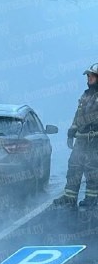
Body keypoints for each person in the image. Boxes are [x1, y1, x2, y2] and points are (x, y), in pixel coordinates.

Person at [52, 62, 98, 208]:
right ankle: (69, 198)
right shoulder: (85, 95)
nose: (89, 79)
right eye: (88, 76)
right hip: (81, 140)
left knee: (92, 170)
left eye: (92, 76)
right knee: (74, 167)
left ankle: (91, 199)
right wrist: (72, 131)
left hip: (95, 141)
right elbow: (78, 116)